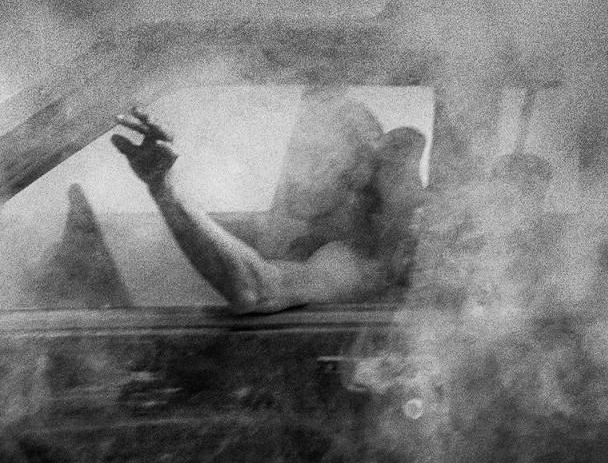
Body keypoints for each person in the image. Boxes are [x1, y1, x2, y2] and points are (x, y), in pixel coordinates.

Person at [111, 101, 425, 315]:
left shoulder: (358, 259)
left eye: (313, 154)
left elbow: (256, 291)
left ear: (355, 171)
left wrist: (164, 187)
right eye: (296, 150)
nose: (293, 167)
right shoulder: (322, 242)